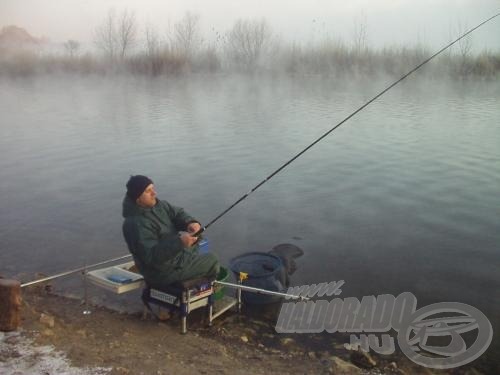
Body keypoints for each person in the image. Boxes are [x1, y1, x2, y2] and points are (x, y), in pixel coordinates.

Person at [122, 175, 219, 289]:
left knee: (199, 238)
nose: (154, 193)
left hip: (172, 259)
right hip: (160, 273)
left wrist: (190, 223)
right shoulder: (135, 224)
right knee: (212, 260)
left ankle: (190, 281)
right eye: (148, 191)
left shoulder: (159, 205)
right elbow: (151, 257)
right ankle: (192, 291)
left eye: (153, 189)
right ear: (138, 199)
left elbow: (178, 214)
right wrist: (180, 242)